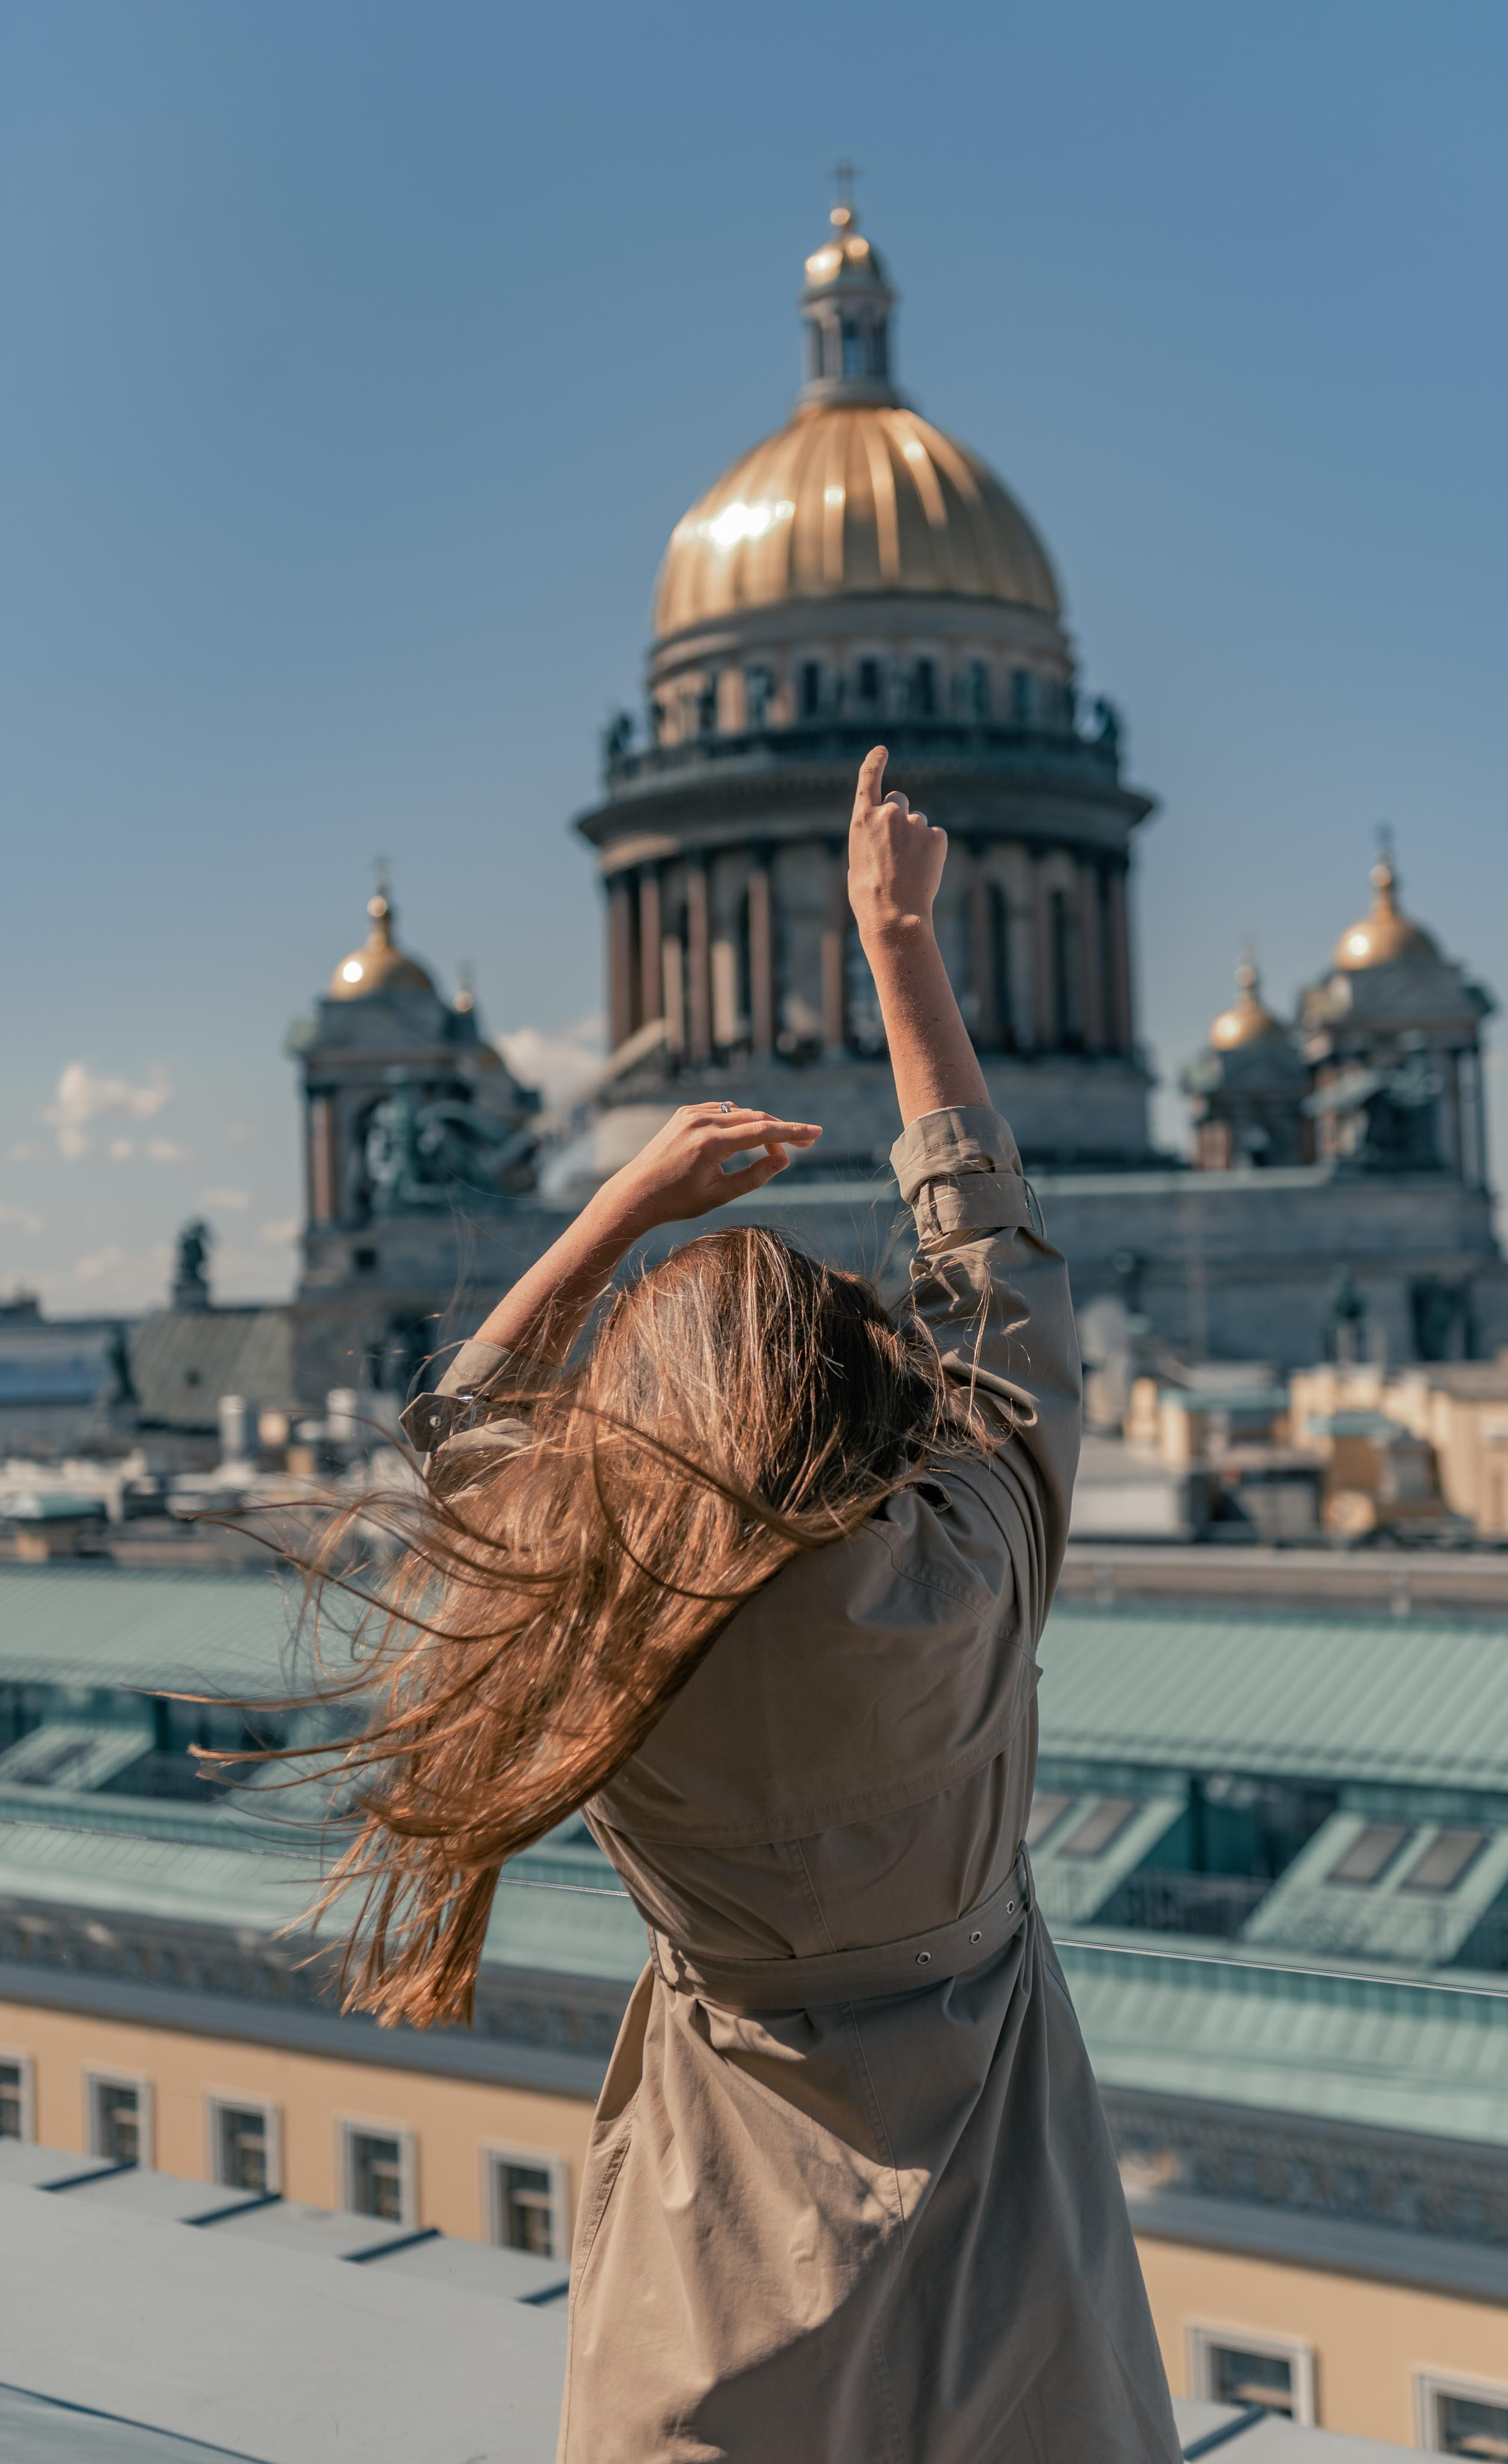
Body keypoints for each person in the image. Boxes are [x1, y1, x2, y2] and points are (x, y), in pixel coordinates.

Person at [288, 748, 1179, 2463]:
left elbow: (459, 1425)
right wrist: (902, 942)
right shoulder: (969, 1561)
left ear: (629, 1421)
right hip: (1008, 2238)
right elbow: (995, 1270)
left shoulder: (586, 1604)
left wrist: (621, 1201)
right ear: (870, 1389)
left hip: (716, 2247)